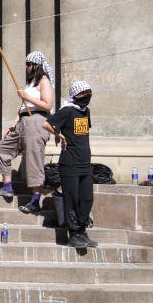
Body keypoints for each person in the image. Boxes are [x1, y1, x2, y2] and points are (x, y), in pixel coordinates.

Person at [0, 51, 55, 214]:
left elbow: (48, 105)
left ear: (36, 65)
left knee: (33, 159)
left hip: (37, 120)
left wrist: (27, 97)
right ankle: (7, 186)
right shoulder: (30, 83)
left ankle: (35, 200)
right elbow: (22, 108)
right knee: (2, 149)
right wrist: (14, 124)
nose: (26, 67)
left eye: (28, 64)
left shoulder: (44, 80)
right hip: (23, 121)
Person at [43, 80, 97, 249]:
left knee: (87, 198)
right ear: (75, 95)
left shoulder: (86, 111)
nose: (86, 96)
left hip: (85, 162)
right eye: (83, 93)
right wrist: (59, 135)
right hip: (70, 163)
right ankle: (74, 234)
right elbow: (46, 124)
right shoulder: (67, 110)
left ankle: (82, 231)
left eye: (88, 93)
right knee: (72, 198)